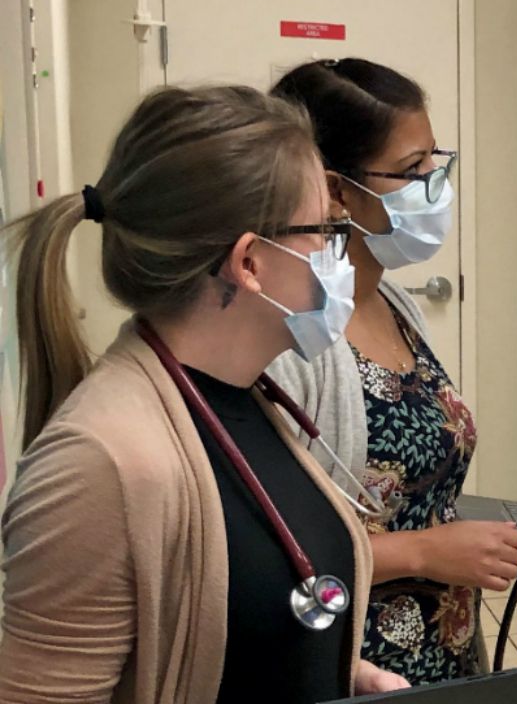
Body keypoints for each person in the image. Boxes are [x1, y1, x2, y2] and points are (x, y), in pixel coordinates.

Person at [0, 86, 409, 702]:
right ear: (249, 262)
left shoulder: (243, 400)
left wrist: (335, 673)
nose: (337, 252)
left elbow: (240, 622)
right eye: (323, 230)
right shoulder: (97, 464)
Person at [267, 58, 517, 686]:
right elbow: (272, 547)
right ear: (336, 191)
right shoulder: (296, 341)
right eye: (409, 171)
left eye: (434, 163)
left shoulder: (391, 301)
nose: (434, 187)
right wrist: (424, 552)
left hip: (437, 646)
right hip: (359, 660)